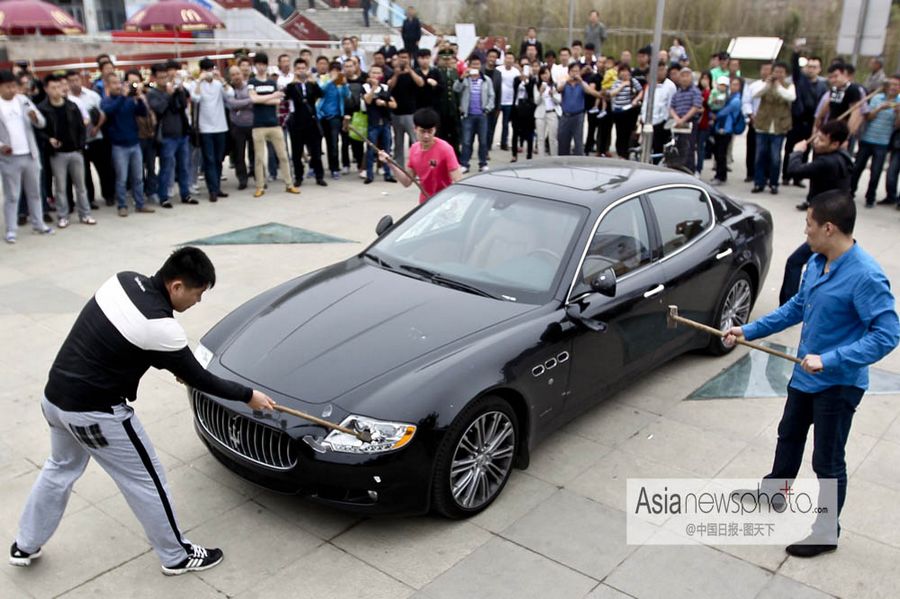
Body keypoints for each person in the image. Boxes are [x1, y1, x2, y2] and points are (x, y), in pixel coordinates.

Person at [9, 247, 278, 575]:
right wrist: (249, 395)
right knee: (147, 480)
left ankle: (25, 543)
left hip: (54, 400)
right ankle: (176, 555)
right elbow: (200, 378)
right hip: (96, 415)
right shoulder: (161, 327)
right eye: (198, 293)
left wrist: (170, 362)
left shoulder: (123, 281)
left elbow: (117, 340)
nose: (198, 302)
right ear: (177, 286)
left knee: (59, 468)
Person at [724, 190, 900, 558]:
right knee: (788, 434)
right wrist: (749, 330)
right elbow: (797, 307)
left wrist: (832, 359)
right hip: (805, 377)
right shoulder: (816, 263)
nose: (805, 231)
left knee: (828, 460)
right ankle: (775, 493)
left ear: (829, 228)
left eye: (809, 224)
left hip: (838, 385)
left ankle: (825, 532)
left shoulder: (866, 276)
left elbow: (887, 335)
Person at [780, 119, 852, 303]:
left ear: (835, 143)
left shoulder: (828, 163)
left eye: (821, 140)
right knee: (820, 262)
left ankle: (789, 306)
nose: (816, 142)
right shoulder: (842, 157)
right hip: (835, 219)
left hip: (828, 224)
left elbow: (794, 170)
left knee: (795, 261)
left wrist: (797, 151)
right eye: (816, 138)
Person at [36, 73, 95, 229]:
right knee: (61, 187)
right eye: (53, 87)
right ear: (46, 89)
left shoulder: (71, 106)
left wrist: (81, 146)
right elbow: (39, 130)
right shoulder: (43, 109)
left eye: (59, 87)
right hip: (57, 154)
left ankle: (86, 214)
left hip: (75, 151)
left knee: (81, 186)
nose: (57, 90)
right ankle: (63, 216)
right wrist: (49, 139)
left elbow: (82, 128)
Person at [1, 69, 52, 243]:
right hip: (10, 157)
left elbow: (42, 122)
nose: (12, 90)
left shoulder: (23, 101)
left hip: (30, 154)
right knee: (12, 195)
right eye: (8, 87)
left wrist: (35, 118)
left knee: (35, 192)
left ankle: (39, 224)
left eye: (14, 86)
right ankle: (11, 230)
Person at [379, 107, 460, 202]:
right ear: (415, 129)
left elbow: (458, 181)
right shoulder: (414, 149)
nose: (426, 136)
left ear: (435, 130)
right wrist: (390, 163)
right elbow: (406, 182)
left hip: (444, 202)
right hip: (425, 203)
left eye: (430, 131)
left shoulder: (445, 149)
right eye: (422, 131)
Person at [101, 73, 153, 218]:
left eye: (119, 83)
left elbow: (142, 113)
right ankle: (122, 205)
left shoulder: (130, 100)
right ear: (108, 86)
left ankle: (140, 204)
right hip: (119, 146)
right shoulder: (107, 101)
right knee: (122, 178)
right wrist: (123, 97)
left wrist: (140, 100)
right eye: (114, 84)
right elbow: (109, 112)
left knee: (138, 177)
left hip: (134, 143)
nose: (118, 86)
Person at [248, 53, 299, 197]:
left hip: (274, 124)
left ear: (266, 65)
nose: (261, 67)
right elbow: (253, 99)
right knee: (259, 158)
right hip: (258, 125)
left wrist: (262, 98)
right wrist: (272, 96)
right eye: (258, 64)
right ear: (255, 65)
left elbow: (278, 101)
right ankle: (260, 186)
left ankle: (289, 184)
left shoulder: (271, 82)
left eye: (263, 64)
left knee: (283, 155)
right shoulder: (252, 81)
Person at [147, 64, 193, 208]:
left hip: (181, 134)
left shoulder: (174, 90)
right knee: (166, 167)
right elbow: (160, 108)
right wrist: (169, 94)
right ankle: (163, 196)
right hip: (167, 136)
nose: (163, 80)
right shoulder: (152, 93)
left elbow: (183, 105)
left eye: (165, 77)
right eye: (160, 77)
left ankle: (185, 194)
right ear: (155, 78)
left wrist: (179, 91)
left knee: (184, 166)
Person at [65, 70, 110, 209]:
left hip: (96, 137)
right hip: (79, 142)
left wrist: (97, 127)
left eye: (76, 80)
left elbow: (103, 113)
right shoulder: (67, 99)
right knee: (85, 173)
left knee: (103, 169)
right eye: (71, 81)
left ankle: (108, 195)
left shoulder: (92, 95)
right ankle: (90, 200)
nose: (74, 83)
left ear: (81, 80)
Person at [784, 46, 827, 187]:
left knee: (805, 149)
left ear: (819, 69)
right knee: (790, 148)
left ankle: (798, 177)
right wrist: (796, 53)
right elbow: (795, 68)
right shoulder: (800, 80)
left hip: (811, 122)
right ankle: (786, 175)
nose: (811, 69)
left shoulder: (823, 86)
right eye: (809, 66)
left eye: (814, 67)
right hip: (797, 120)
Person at [854, 75, 899, 207]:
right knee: (857, 168)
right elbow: (868, 117)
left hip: (883, 142)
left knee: (876, 172)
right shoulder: (876, 98)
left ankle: (870, 197)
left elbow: (897, 126)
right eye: (892, 84)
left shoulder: (899, 101)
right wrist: (879, 108)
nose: (893, 87)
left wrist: (898, 113)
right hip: (867, 138)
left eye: (897, 85)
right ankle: (850, 191)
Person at [752, 61, 795, 194]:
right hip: (762, 125)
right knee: (760, 156)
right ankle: (759, 183)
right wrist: (768, 85)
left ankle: (774, 183)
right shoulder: (765, 83)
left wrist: (778, 86)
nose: (778, 74)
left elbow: (791, 97)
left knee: (775, 157)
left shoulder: (789, 86)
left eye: (781, 72)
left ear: (785, 74)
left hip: (779, 127)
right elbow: (755, 94)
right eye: (776, 71)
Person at [284, 58, 326, 188]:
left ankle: (319, 176)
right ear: (295, 70)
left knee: (316, 152)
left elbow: (321, 94)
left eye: (303, 68)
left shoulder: (312, 84)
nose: (301, 71)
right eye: (298, 68)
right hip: (296, 122)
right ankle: (298, 177)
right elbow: (286, 96)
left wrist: (312, 80)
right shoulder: (291, 86)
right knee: (297, 153)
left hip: (311, 122)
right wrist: (293, 82)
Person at [191, 59, 230, 203]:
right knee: (209, 159)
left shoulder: (219, 84)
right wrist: (199, 81)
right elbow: (195, 98)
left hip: (221, 126)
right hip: (205, 128)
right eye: (206, 69)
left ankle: (217, 187)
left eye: (211, 69)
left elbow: (230, 94)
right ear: (201, 70)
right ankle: (212, 190)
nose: (209, 72)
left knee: (219, 159)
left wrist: (221, 79)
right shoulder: (196, 84)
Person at [454, 55, 495, 174]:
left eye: (477, 64)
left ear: (480, 66)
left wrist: (487, 108)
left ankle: (483, 163)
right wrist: (462, 78)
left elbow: (491, 96)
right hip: (468, 115)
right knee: (466, 141)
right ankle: (464, 164)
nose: (475, 67)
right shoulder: (465, 79)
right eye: (473, 64)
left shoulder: (486, 80)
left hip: (482, 115)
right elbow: (456, 89)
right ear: (469, 66)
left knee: (483, 141)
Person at [363, 64, 397, 184]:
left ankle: (388, 174)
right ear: (369, 74)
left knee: (386, 149)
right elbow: (367, 100)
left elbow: (394, 104)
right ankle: (369, 175)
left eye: (378, 73)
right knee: (371, 150)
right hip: (373, 123)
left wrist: (383, 103)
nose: (375, 75)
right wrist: (373, 88)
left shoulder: (385, 88)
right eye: (373, 73)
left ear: (382, 75)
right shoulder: (366, 87)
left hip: (385, 122)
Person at [557, 62, 601, 156]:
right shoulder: (564, 82)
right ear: (569, 72)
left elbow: (590, 91)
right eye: (572, 71)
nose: (574, 73)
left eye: (577, 71)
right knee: (563, 142)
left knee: (578, 142)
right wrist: (566, 81)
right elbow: (559, 89)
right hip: (566, 115)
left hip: (578, 116)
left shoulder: (582, 84)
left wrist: (581, 81)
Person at [317, 61, 350, 181]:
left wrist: (344, 85)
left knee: (334, 143)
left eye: (338, 69)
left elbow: (347, 95)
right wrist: (331, 79)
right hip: (322, 115)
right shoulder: (324, 79)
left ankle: (334, 168)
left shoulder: (340, 81)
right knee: (318, 143)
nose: (336, 72)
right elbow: (320, 90)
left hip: (335, 116)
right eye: (333, 69)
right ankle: (315, 168)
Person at [669, 67, 703, 172]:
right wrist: (676, 118)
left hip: (690, 121)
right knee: (677, 146)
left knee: (689, 147)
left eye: (687, 76)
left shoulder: (695, 91)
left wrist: (683, 119)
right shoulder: (677, 93)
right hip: (678, 122)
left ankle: (690, 170)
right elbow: (671, 107)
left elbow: (696, 106)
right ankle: (678, 169)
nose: (684, 78)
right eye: (682, 76)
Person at [710, 77, 744, 185]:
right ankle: (720, 175)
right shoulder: (728, 97)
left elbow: (724, 112)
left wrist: (714, 115)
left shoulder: (736, 100)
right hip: (720, 128)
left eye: (736, 85)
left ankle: (721, 176)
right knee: (718, 152)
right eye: (732, 84)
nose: (733, 87)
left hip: (726, 129)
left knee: (721, 153)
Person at [225, 66, 253, 190]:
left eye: (238, 73)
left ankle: (258, 176)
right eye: (233, 75)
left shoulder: (250, 87)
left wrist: (241, 104)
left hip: (252, 124)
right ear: (230, 77)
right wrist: (248, 101)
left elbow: (255, 102)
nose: (236, 76)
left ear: (242, 74)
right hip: (237, 126)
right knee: (238, 155)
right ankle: (242, 179)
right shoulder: (228, 89)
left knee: (255, 153)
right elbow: (231, 104)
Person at [609, 64, 644, 159]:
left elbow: (641, 91)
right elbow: (612, 93)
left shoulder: (634, 81)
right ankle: (620, 152)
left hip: (630, 111)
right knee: (620, 133)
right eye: (622, 71)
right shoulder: (616, 82)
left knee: (629, 133)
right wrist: (622, 85)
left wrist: (635, 100)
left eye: (626, 71)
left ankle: (627, 152)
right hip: (618, 112)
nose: (624, 73)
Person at [510, 64, 538, 162]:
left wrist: (526, 82)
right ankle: (514, 154)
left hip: (528, 110)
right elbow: (514, 89)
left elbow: (531, 93)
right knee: (515, 133)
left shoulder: (533, 81)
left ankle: (529, 154)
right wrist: (520, 80)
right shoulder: (516, 80)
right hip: (517, 108)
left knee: (529, 133)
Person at [535, 66, 561, 157]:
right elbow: (536, 101)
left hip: (552, 113)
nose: (545, 76)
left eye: (546, 73)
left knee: (553, 138)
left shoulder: (554, 85)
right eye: (542, 74)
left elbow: (558, 101)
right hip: (540, 114)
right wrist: (540, 92)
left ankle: (554, 157)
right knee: (540, 138)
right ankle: (541, 158)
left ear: (550, 73)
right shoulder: (537, 85)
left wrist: (552, 94)